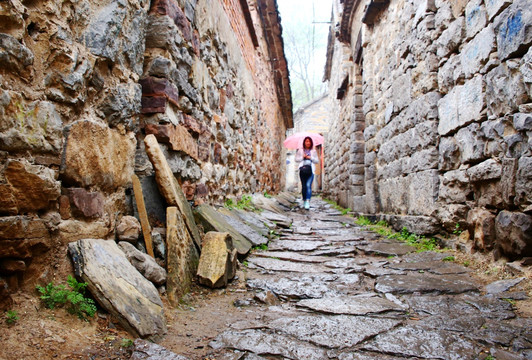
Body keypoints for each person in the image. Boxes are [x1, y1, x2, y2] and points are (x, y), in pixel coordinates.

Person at [295, 136, 319, 210]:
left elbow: (317, 161)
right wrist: (303, 157)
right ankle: (304, 200)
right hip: (302, 170)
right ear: (304, 142)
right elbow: (296, 159)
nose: (307, 143)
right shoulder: (300, 151)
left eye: (309, 141)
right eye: (306, 141)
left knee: (308, 185)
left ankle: (308, 201)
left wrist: (310, 158)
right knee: (304, 186)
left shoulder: (313, 151)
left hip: (310, 170)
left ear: (311, 143)